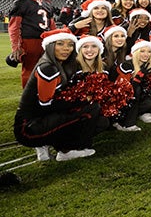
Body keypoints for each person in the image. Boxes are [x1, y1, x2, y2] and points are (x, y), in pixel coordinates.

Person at [13, 28, 103, 161]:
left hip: (35, 121)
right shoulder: (48, 68)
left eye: (70, 44)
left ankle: (50, 143)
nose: (66, 48)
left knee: (91, 113)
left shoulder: (57, 64)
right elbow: (46, 105)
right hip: (27, 129)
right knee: (91, 109)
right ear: (50, 46)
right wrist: (81, 100)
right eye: (60, 44)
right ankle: (67, 150)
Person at [8, 0, 57, 87]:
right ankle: (28, 98)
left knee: (47, 68)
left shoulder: (47, 4)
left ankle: (42, 94)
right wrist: (15, 47)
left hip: (46, 41)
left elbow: (52, 26)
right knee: (29, 70)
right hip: (29, 41)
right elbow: (14, 27)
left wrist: (55, 40)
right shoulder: (21, 3)